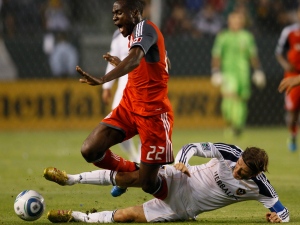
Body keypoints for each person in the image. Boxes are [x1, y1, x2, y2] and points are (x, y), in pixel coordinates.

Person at [44, 142, 289, 223]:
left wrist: (279, 218)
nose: (237, 171)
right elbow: (192, 146)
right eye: (238, 166)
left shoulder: (261, 187)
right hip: (179, 178)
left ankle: (76, 217)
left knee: (125, 217)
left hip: (183, 209)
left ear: (255, 175)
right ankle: (70, 180)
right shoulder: (230, 152)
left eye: (243, 173)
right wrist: (181, 161)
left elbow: (284, 212)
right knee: (131, 176)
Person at [74, 0, 173, 201]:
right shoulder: (135, 34)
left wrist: (103, 79)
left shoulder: (146, 28)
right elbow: (157, 63)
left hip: (152, 115)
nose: (114, 17)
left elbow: (136, 59)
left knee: (148, 184)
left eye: (119, 13)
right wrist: (123, 65)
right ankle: (132, 169)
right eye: (113, 13)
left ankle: (179, 201)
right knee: (90, 149)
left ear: (135, 12)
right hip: (129, 107)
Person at [211, 11, 266, 138]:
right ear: (229, 22)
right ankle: (231, 123)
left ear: (242, 22)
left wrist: (258, 71)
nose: (236, 23)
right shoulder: (223, 37)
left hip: (243, 74)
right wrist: (215, 71)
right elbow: (216, 56)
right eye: (233, 20)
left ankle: (238, 126)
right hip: (229, 73)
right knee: (230, 98)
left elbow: (253, 56)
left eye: (238, 21)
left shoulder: (247, 37)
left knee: (241, 100)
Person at [275, 7, 300, 152]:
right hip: (292, 75)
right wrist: (286, 65)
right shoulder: (289, 31)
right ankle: (292, 134)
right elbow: (278, 52)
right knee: (293, 110)